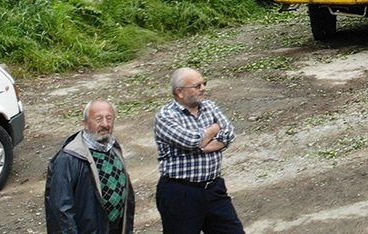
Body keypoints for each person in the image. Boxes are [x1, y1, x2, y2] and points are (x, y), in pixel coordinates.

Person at [154, 68, 244, 234]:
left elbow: (229, 133)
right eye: (197, 86)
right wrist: (214, 130)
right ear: (179, 92)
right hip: (181, 194)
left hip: (214, 189)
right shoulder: (166, 116)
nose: (203, 88)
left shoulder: (210, 106)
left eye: (204, 83)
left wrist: (207, 142)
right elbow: (191, 141)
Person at [47, 100, 135, 234]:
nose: (105, 124)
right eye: (98, 119)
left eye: (109, 118)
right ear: (86, 123)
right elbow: (60, 210)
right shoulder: (68, 158)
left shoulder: (114, 148)